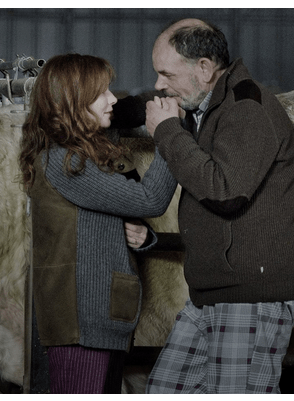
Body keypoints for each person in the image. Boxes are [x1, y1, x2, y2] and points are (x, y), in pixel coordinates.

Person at [115, 18, 294, 393]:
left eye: (166, 74)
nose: (158, 84)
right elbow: (152, 103)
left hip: (252, 293)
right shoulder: (206, 104)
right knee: (166, 388)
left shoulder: (246, 108)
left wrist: (166, 131)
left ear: (204, 68)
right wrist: (100, 112)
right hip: (216, 290)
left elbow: (225, 191)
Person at [19, 53, 177, 394]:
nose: (112, 99)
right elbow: (150, 199)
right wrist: (170, 136)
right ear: (72, 104)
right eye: (101, 93)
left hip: (101, 318)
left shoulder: (86, 153)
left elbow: (102, 219)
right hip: (82, 324)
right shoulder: (64, 161)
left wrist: (142, 236)